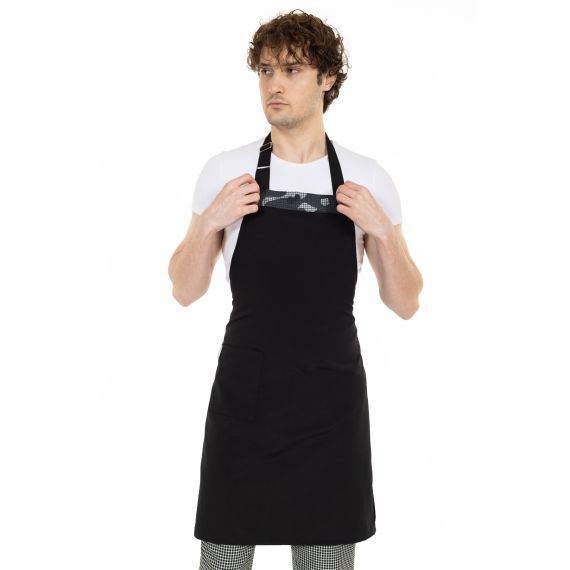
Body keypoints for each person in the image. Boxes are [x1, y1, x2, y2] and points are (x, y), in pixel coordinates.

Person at [168, 9, 423, 570]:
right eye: (265, 71)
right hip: (245, 402)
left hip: (330, 407)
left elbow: (405, 303)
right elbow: (184, 290)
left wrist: (383, 232)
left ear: (327, 78)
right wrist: (210, 222)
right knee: (223, 561)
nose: (274, 85)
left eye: (291, 70)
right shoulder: (226, 171)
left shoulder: (366, 177)